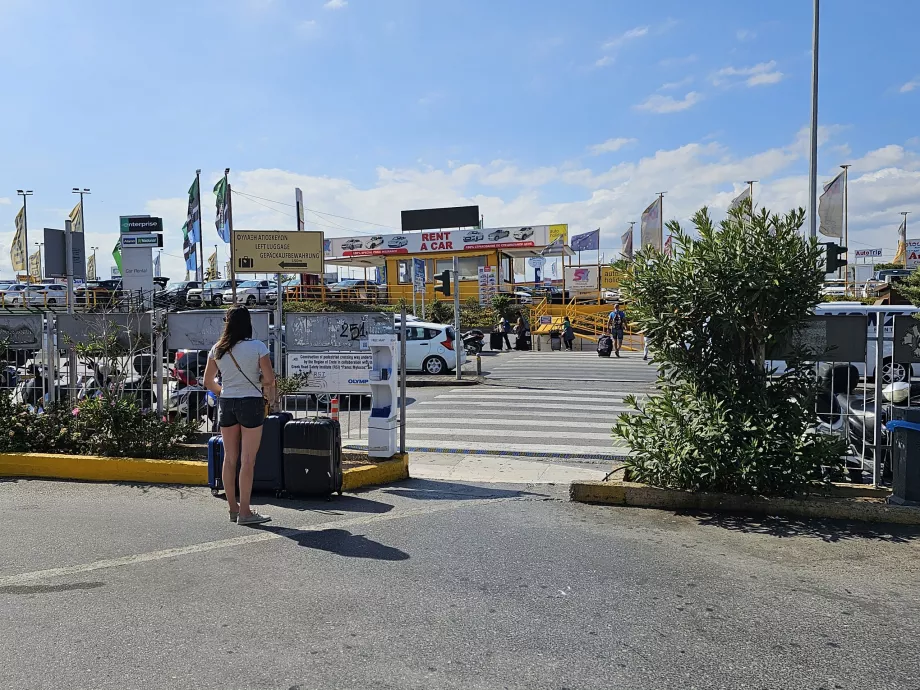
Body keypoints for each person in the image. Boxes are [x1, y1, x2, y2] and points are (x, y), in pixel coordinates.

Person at [203, 306, 277, 526]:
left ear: (227, 323)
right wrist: (256, 381)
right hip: (251, 402)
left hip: (226, 403)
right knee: (248, 460)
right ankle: (245, 512)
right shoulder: (257, 347)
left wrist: (224, 392)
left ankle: (233, 509)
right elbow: (270, 379)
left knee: (230, 458)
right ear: (248, 323)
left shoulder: (218, 348)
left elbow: (208, 381)